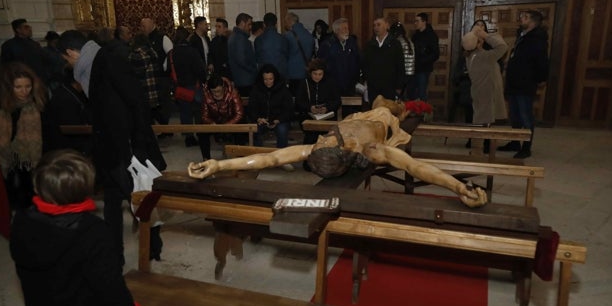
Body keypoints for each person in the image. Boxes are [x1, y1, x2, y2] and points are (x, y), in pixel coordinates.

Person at [188, 95, 487, 209]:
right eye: (325, 142)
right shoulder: (373, 150)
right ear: (343, 150)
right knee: (393, 106)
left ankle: (404, 104)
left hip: (362, 115)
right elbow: (415, 167)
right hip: (383, 119)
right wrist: (458, 186)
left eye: (323, 141)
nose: (323, 139)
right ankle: (408, 106)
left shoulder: (319, 148)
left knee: (381, 100)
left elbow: (270, 158)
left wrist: (219, 165)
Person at [9, 150, 147, 306]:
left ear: (38, 185)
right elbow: (110, 288)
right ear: (86, 188)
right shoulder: (92, 233)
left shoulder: (22, 223)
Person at [58, 29, 165, 264]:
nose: (67, 64)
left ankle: (152, 245)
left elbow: (137, 102)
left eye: (66, 59)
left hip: (124, 149)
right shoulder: (91, 66)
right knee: (112, 203)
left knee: (137, 199)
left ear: (71, 52)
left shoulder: (107, 61)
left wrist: (137, 145)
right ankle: (115, 254)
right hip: (109, 149)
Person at [0, 62, 49, 210]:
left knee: (28, 191)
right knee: (6, 192)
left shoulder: (36, 102)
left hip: (27, 157)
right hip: (1, 154)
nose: (24, 91)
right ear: (8, 87)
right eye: (18, 87)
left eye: (27, 86)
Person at [500, 10, 550, 159]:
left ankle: (526, 147)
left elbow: (541, 62)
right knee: (514, 115)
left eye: (525, 17)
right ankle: (515, 142)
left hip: (526, 82)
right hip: (514, 82)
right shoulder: (522, 36)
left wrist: (541, 79)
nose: (521, 19)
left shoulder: (537, 39)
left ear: (533, 21)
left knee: (525, 116)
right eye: (521, 16)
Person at [462, 25, 508, 153]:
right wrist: (485, 35)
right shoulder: (484, 57)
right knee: (482, 126)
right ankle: (478, 154)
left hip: (479, 93)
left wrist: (475, 35)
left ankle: (479, 152)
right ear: (478, 44)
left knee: (481, 122)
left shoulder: (470, 56)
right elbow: (502, 47)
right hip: (486, 95)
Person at [169, 25, 206, 147]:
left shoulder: (172, 53)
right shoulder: (192, 51)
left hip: (180, 87)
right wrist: (204, 80)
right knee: (197, 112)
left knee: (185, 112)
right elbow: (200, 69)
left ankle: (188, 137)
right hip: (194, 86)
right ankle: (201, 135)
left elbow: (167, 69)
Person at [198, 72, 245, 161]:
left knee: (241, 127)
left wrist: (227, 125)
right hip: (215, 122)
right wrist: (211, 123)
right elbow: (204, 115)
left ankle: (240, 158)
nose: (216, 94)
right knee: (201, 131)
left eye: (218, 91)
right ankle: (206, 159)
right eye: (213, 91)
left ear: (223, 88)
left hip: (231, 120)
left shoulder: (233, 93)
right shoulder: (206, 95)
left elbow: (239, 114)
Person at [249, 64, 294, 151]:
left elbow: (289, 110)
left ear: (275, 78)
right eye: (265, 79)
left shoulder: (283, 90)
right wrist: (258, 118)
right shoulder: (256, 89)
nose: (268, 82)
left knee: (282, 131)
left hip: (279, 120)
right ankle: (258, 156)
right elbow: (251, 108)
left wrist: (278, 120)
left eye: (270, 79)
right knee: (255, 130)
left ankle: (280, 157)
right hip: (262, 120)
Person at [295, 58, 341, 145]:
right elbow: (298, 102)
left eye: (320, 74)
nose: (317, 77)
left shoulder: (330, 83)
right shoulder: (304, 83)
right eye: (315, 74)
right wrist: (309, 108)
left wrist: (327, 108)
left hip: (327, 118)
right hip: (309, 117)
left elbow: (337, 101)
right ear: (310, 73)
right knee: (310, 139)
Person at [361, 17, 404, 102]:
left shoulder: (395, 44)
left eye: (379, 25)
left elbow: (400, 65)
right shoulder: (369, 45)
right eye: (374, 25)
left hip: (389, 86)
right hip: (373, 86)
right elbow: (364, 64)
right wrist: (366, 79)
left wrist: (399, 86)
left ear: (386, 26)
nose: (376, 28)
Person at [140, 18, 173, 127]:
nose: (142, 29)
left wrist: (164, 68)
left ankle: (165, 126)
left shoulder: (162, 38)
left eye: (144, 26)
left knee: (163, 102)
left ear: (152, 25)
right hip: (149, 78)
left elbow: (171, 55)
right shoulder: (144, 39)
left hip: (162, 77)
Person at [317, 17, 360, 98]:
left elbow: (358, 60)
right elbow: (321, 64)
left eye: (347, 28)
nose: (347, 31)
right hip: (333, 85)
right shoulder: (327, 45)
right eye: (344, 28)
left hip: (350, 85)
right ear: (336, 31)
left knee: (350, 109)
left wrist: (356, 78)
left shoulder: (352, 42)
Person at [0, 18, 50, 86]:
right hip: (22, 81)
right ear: (18, 30)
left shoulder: (35, 44)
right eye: (26, 27)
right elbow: (7, 66)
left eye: (29, 27)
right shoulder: (9, 45)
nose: (29, 29)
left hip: (39, 80)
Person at [128, 33, 162, 125]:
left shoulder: (136, 55)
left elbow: (135, 72)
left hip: (143, 87)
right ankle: (163, 128)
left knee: (145, 114)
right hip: (153, 86)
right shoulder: (152, 52)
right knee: (153, 111)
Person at [411, 12, 440, 100]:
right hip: (413, 69)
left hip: (424, 69)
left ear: (424, 22)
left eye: (417, 21)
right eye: (415, 21)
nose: (415, 23)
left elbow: (436, 54)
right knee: (412, 93)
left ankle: (422, 113)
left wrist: (422, 61)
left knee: (421, 93)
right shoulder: (415, 35)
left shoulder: (431, 35)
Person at [284, 12, 314, 95]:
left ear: (290, 21)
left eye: (285, 22)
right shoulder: (309, 35)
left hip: (292, 74)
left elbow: (284, 54)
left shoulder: (288, 36)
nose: (285, 24)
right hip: (306, 72)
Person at [227, 13, 257, 97]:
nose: (250, 27)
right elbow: (242, 60)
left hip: (241, 79)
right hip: (245, 80)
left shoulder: (235, 36)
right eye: (249, 24)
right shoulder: (240, 38)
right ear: (242, 23)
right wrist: (254, 69)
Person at [389, 21, 415, 100]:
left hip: (402, 74)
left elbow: (396, 60)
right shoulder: (409, 41)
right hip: (411, 73)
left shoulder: (397, 42)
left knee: (398, 98)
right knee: (408, 97)